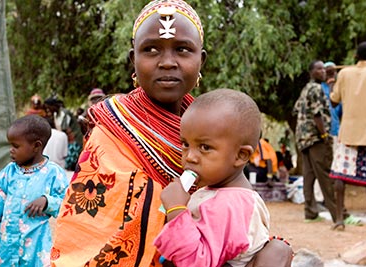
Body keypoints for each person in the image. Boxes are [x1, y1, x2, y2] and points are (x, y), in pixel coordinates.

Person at [50, 1, 291, 266]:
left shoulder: (213, 124)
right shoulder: (112, 132)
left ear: (201, 59)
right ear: (133, 59)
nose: (167, 62)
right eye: (151, 49)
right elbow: (95, 227)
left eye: (183, 50)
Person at [154, 89, 270, 266]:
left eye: (205, 147)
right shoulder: (217, 192)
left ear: (240, 155)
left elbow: (198, 262)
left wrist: (176, 210)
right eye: (185, 144)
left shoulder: (231, 204)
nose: (190, 156)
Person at [0, 115, 68, 266]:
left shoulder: (53, 174)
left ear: (36, 146)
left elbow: (68, 204)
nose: (11, 151)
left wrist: (47, 201)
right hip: (6, 248)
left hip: (35, 249)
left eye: (15, 146)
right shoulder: (9, 172)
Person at [329, 41, 366, 233]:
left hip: (348, 132)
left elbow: (334, 99)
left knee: (340, 175)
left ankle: (338, 220)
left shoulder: (344, 73)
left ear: (355, 56)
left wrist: (332, 85)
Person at [293, 60, 337, 223]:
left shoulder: (306, 88)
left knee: (309, 175)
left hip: (303, 138)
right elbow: (317, 114)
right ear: (311, 72)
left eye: (324, 69)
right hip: (316, 138)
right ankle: (338, 214)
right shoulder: (317, 89)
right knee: (325, 174)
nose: (323, 71)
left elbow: (297, 109)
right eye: (319, 69)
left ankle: (310, 212)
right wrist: (324, 135)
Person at [44, 96, 83, 171]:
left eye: (48, 107)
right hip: (66, 140)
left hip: (75, 140)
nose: (47, 110)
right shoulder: (56, 114)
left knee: (68, 163)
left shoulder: (64, 113)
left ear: (54, 106)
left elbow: (64, 129)